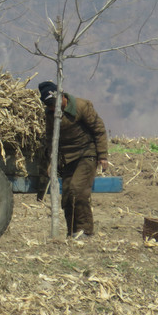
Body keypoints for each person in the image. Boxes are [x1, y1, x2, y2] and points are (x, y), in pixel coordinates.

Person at [38, 81, 108, 238]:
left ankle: (85, 231)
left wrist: (102, 156)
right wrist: (51, 161)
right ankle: (72, 232)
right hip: (67, 158)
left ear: (62, 96)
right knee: (68, 196)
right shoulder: (50, 114)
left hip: (86, 154)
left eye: (54, 103)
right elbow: (50, 138)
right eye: (49, 105)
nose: (53, 108)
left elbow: (99, 130)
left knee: (78, 191)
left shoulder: (81, 107)